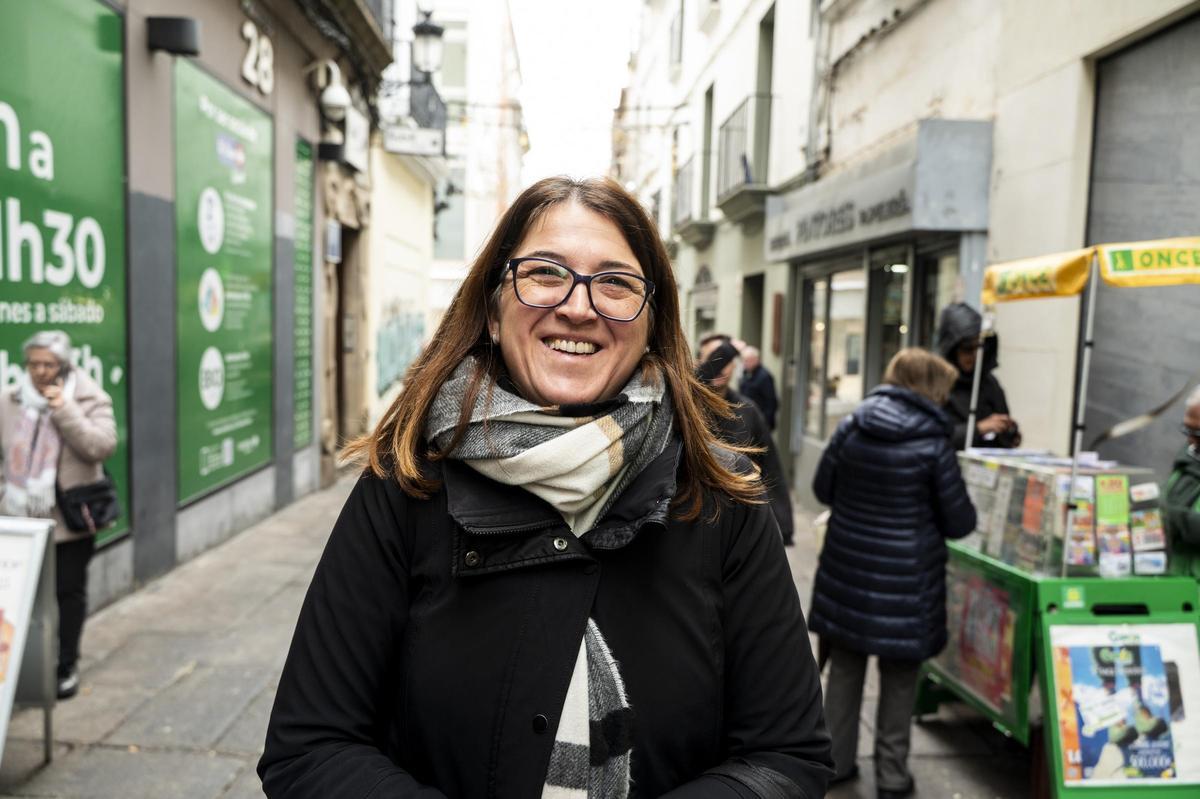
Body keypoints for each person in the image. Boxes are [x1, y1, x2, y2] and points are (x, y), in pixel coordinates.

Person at [259, 177, 834, 798]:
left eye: (615, 283)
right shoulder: (406, 486)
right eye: (544, 273)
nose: (579, 307)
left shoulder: (720, 498)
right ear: (492, 310)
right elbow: (311, 749)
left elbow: (787, 757)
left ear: (652, 322)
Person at [808, 348, 976, 799]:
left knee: (845, 670)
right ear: (931, 388)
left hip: (848, 572)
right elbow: (960, 521)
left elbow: (823, 488)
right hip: (908, 584)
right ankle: (893, 775)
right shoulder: (934, 442)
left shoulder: (852, 425)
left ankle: (836, 763)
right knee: (900, 679)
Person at [0, 330, 117, 699]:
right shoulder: (9, 400)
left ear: (64, 365)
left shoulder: (88, 397)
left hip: (69, 521)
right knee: (19, 596)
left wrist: (64, 410)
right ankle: (18, 667)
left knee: (68, 593)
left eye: (48, 364)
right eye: (33, 363)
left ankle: (66, 664)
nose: (40, 371)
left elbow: (101, 446)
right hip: (20, 520)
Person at [697, 334, 795, 546]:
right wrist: (727, 351)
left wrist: (783, 523)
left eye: (725, 360)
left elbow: (770, 467)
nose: (720, 366)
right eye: (713, 358)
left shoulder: (748, 411)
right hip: (695, 525)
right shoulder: (687, 406)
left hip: (739, 528)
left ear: (735, 366)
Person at [934, 302, 1020, 449]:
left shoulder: (989, 383)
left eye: (980, 348)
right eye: (967, 349)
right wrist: (978, 429)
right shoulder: (936, 385)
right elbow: (933, 437)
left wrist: (1009, 433)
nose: (974, 355)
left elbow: (1001, 426)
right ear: (953, 350)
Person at [1165, 386, 1200, 580]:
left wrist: (1166, 515)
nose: (1191, 439)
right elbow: (1169, 495)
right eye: (1187, 429)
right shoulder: (1190, 455)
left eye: (1198, 432)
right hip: (1179, 581)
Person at [739, 345, 779, 430]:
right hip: (748, 420)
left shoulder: (764, 376)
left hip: (761, 422)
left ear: (756, 360)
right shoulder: (746, 374)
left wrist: (764, 423)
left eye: (747, 360)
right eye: (743, 360)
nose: (744, 363)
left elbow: (771, 402)